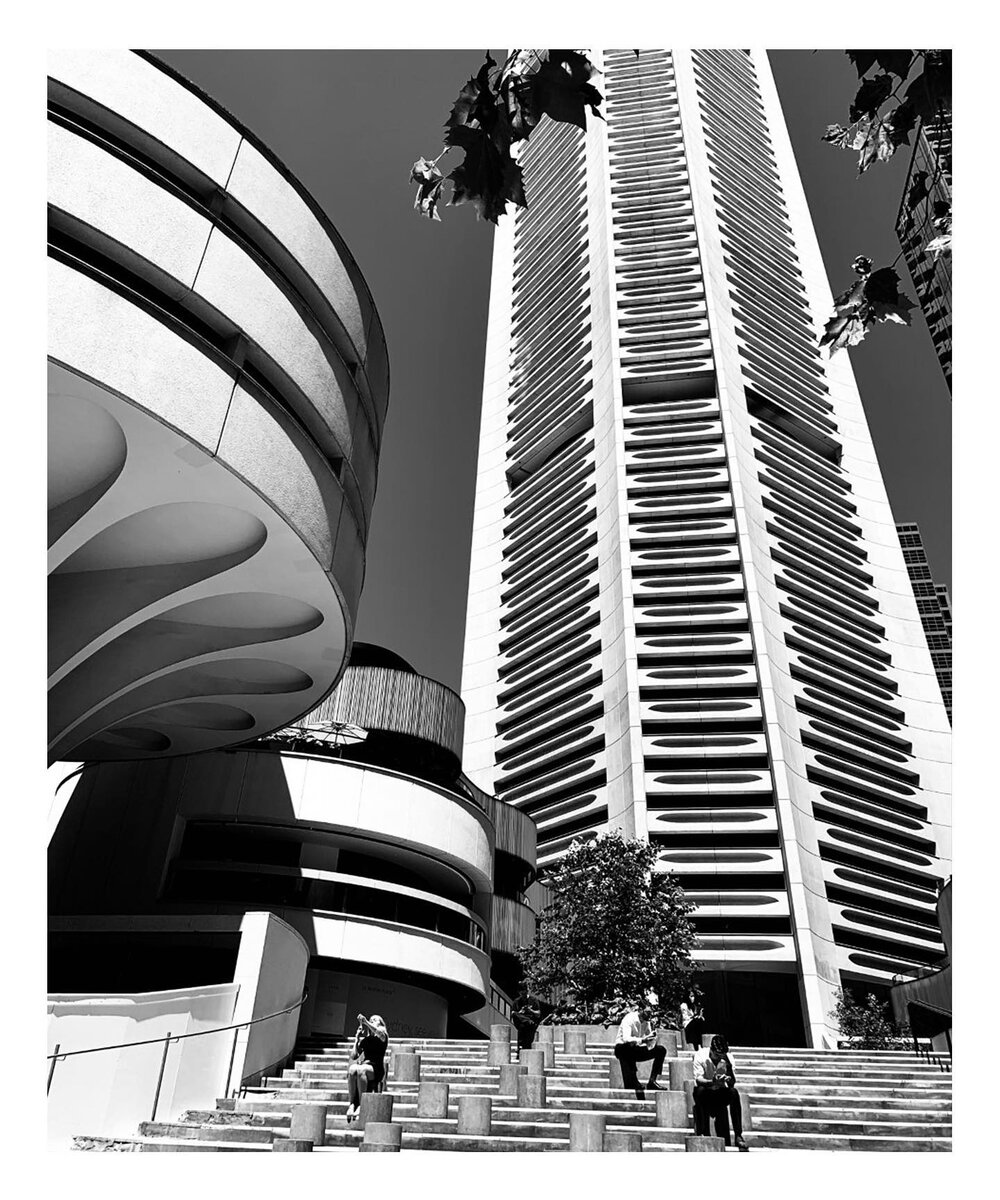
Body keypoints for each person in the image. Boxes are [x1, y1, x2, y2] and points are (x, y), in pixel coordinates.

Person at [692, 1034, 748, 1151]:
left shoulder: (728, 1058)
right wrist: (712, 1082)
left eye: (721, 1056)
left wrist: (729, 1071)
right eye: (716, 1055)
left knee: (733, 1092)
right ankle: (703, 1132)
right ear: (711, 1050)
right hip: (706, 1090)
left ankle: (738, 1135)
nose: (718, 1058)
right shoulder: (700, 1055)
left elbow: (732, 1083)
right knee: (699, 1091)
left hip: (720, 1092)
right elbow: (698, 1079)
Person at [614, 1002, 668, 1098]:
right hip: (622, 1048)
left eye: (651, 1013)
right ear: (640, 1010)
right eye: (647, 1012)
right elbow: (626, 1039)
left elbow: (649, 1042)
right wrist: (643, 1040)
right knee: (629, 1047)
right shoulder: (629, 1019)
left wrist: (653, 1038)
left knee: (661, 1050)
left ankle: (652, 1081)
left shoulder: (647, 1023)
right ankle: (634, 1081)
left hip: (635, 1049)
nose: (649, 1015)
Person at [345, 1013, 388, 1123]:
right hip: (365, 1065)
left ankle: (361, 1104)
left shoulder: (383, 1036)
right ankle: (352, 1104)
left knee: (361, 1069)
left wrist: (366, 1022)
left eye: (375, 1020)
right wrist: (357, 1038)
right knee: (352, 1069)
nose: (372, 1020)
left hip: (376, 1067)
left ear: (381, 1024)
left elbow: (379, 1032)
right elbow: (354, 1055)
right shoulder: (367, 1039)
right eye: (371, 1019)